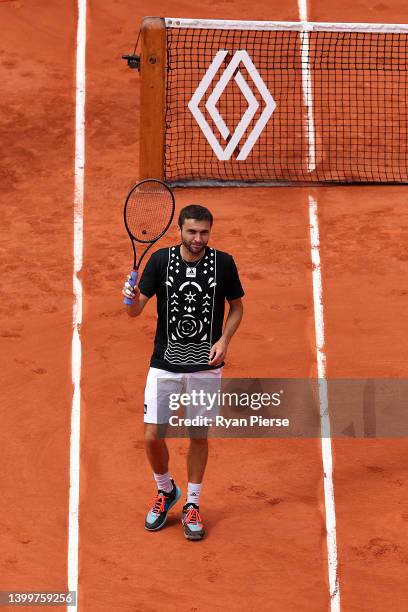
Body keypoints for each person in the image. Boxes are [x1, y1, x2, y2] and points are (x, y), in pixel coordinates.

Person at [122, 204, 244, 540]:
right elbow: (135, 311)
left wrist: (224, 339)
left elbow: (237, 307)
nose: (198, 238)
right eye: (191, 232)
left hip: (207, 365)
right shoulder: (160, 261)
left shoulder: (224, 263)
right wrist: (129, 298)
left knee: (198, 435)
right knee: (152, 435)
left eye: (204, 232)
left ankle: (192, 503)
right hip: (165, 363)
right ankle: (166, 490)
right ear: (179, 231)